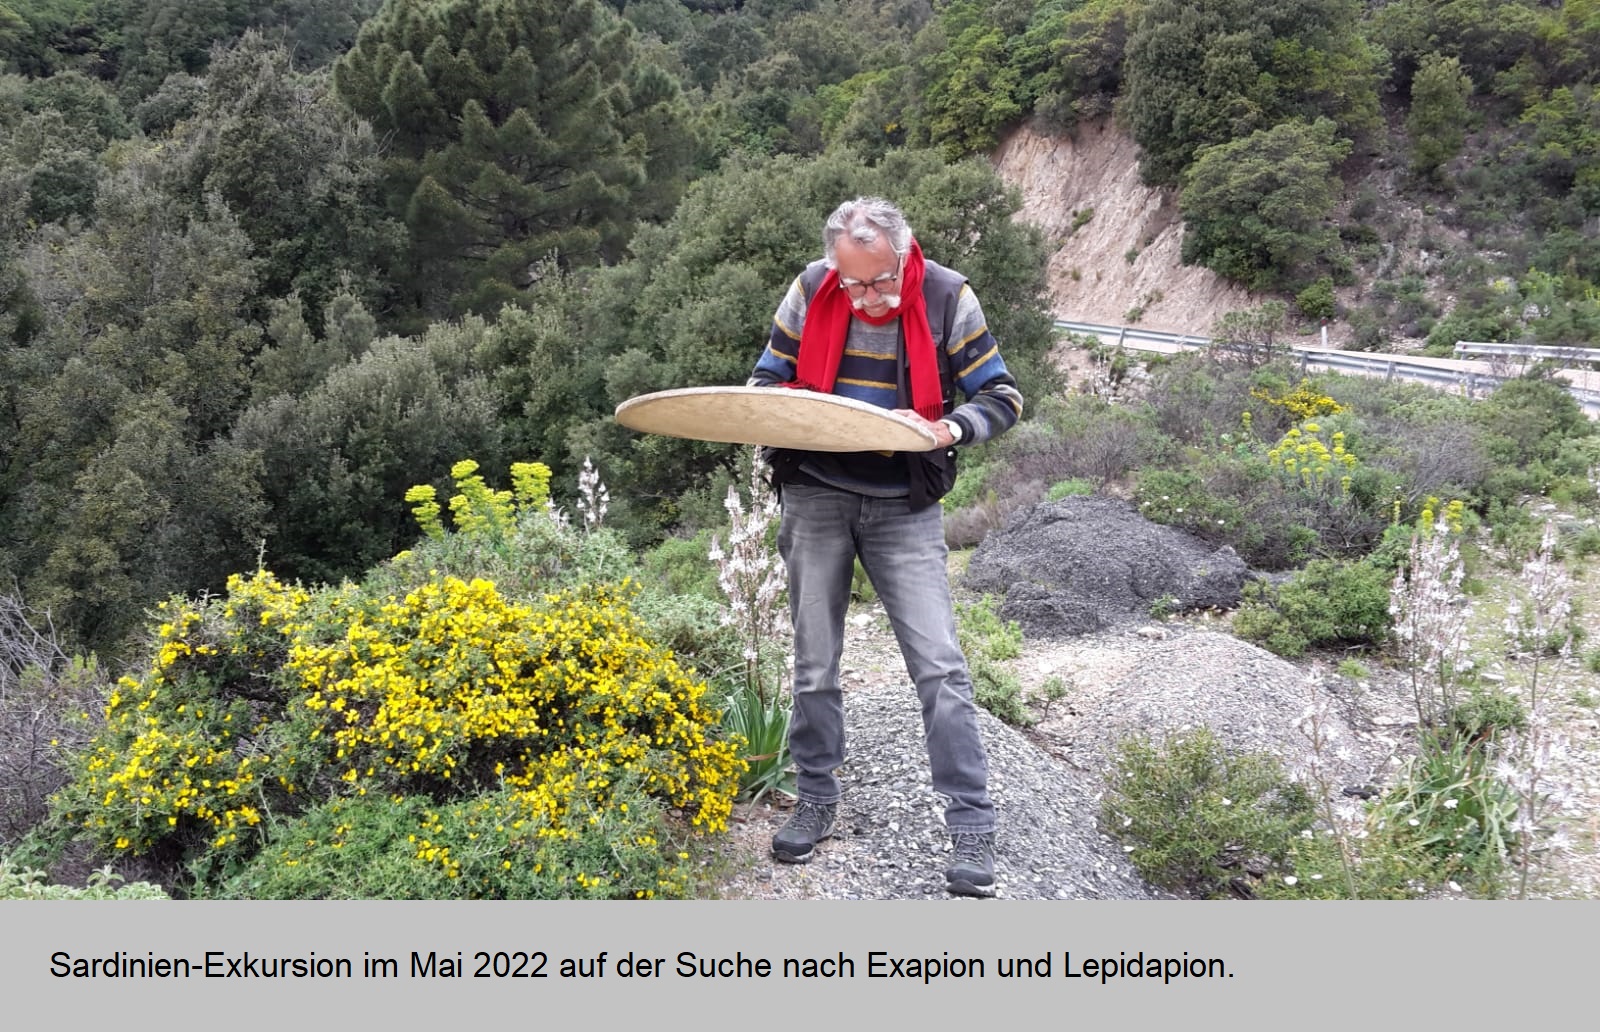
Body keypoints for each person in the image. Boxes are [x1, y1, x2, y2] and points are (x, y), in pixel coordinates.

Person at [747, 196, 1024, 897]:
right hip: (815, 492)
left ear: (904, 254)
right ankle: (816, 798)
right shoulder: (812, 287)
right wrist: (790, 413)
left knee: (940, 668)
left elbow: (1001, 396)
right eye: (854, 284)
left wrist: (947, 428)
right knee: (814, 662)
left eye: (880, 282)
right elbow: (764, 383)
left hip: (905, 503)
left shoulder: (947, 296)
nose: (868, 298)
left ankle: (970, 826)